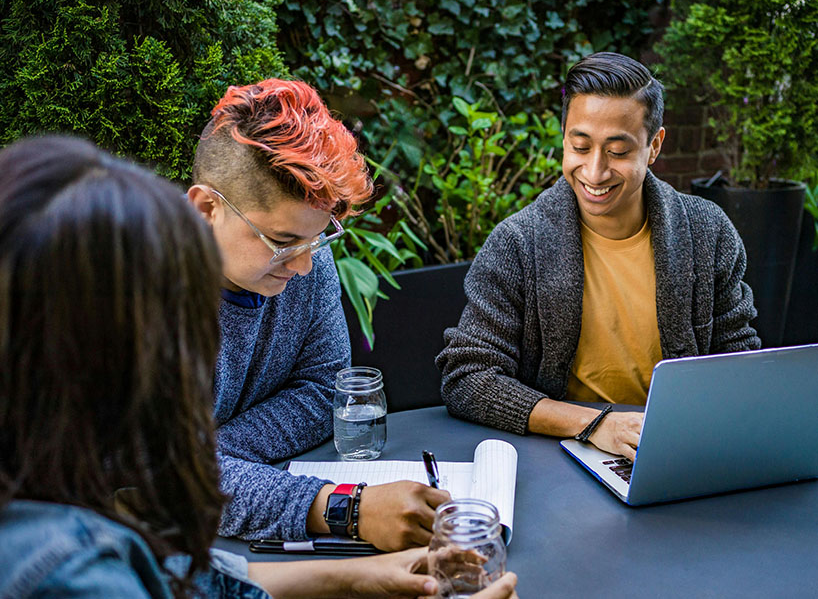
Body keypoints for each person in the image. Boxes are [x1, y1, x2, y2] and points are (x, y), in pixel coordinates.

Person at [0, 135, 518, 599]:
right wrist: (343, 508)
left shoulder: (53, 507)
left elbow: (171, 576)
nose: (305, 265)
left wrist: (353, 578)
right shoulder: (58, 565)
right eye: (158, 328)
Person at [436, 52, 761, 461]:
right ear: (564, 139)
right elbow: (466, 377)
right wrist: (593, 424)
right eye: (580, 146)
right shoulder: (518, 243)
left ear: (654, 145)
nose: (594, 171)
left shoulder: (707, 232)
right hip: (565, 454)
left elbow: (740, 360)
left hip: (680, 449)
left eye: (618, 151)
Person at [186, 78, 450, 551]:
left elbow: (324, 391)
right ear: (206, 209)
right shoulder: (137, 303)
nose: (306, 265)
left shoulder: (304, 255)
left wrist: (214, 455)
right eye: (283, 242)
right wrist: (346, 508)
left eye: (318, 238)